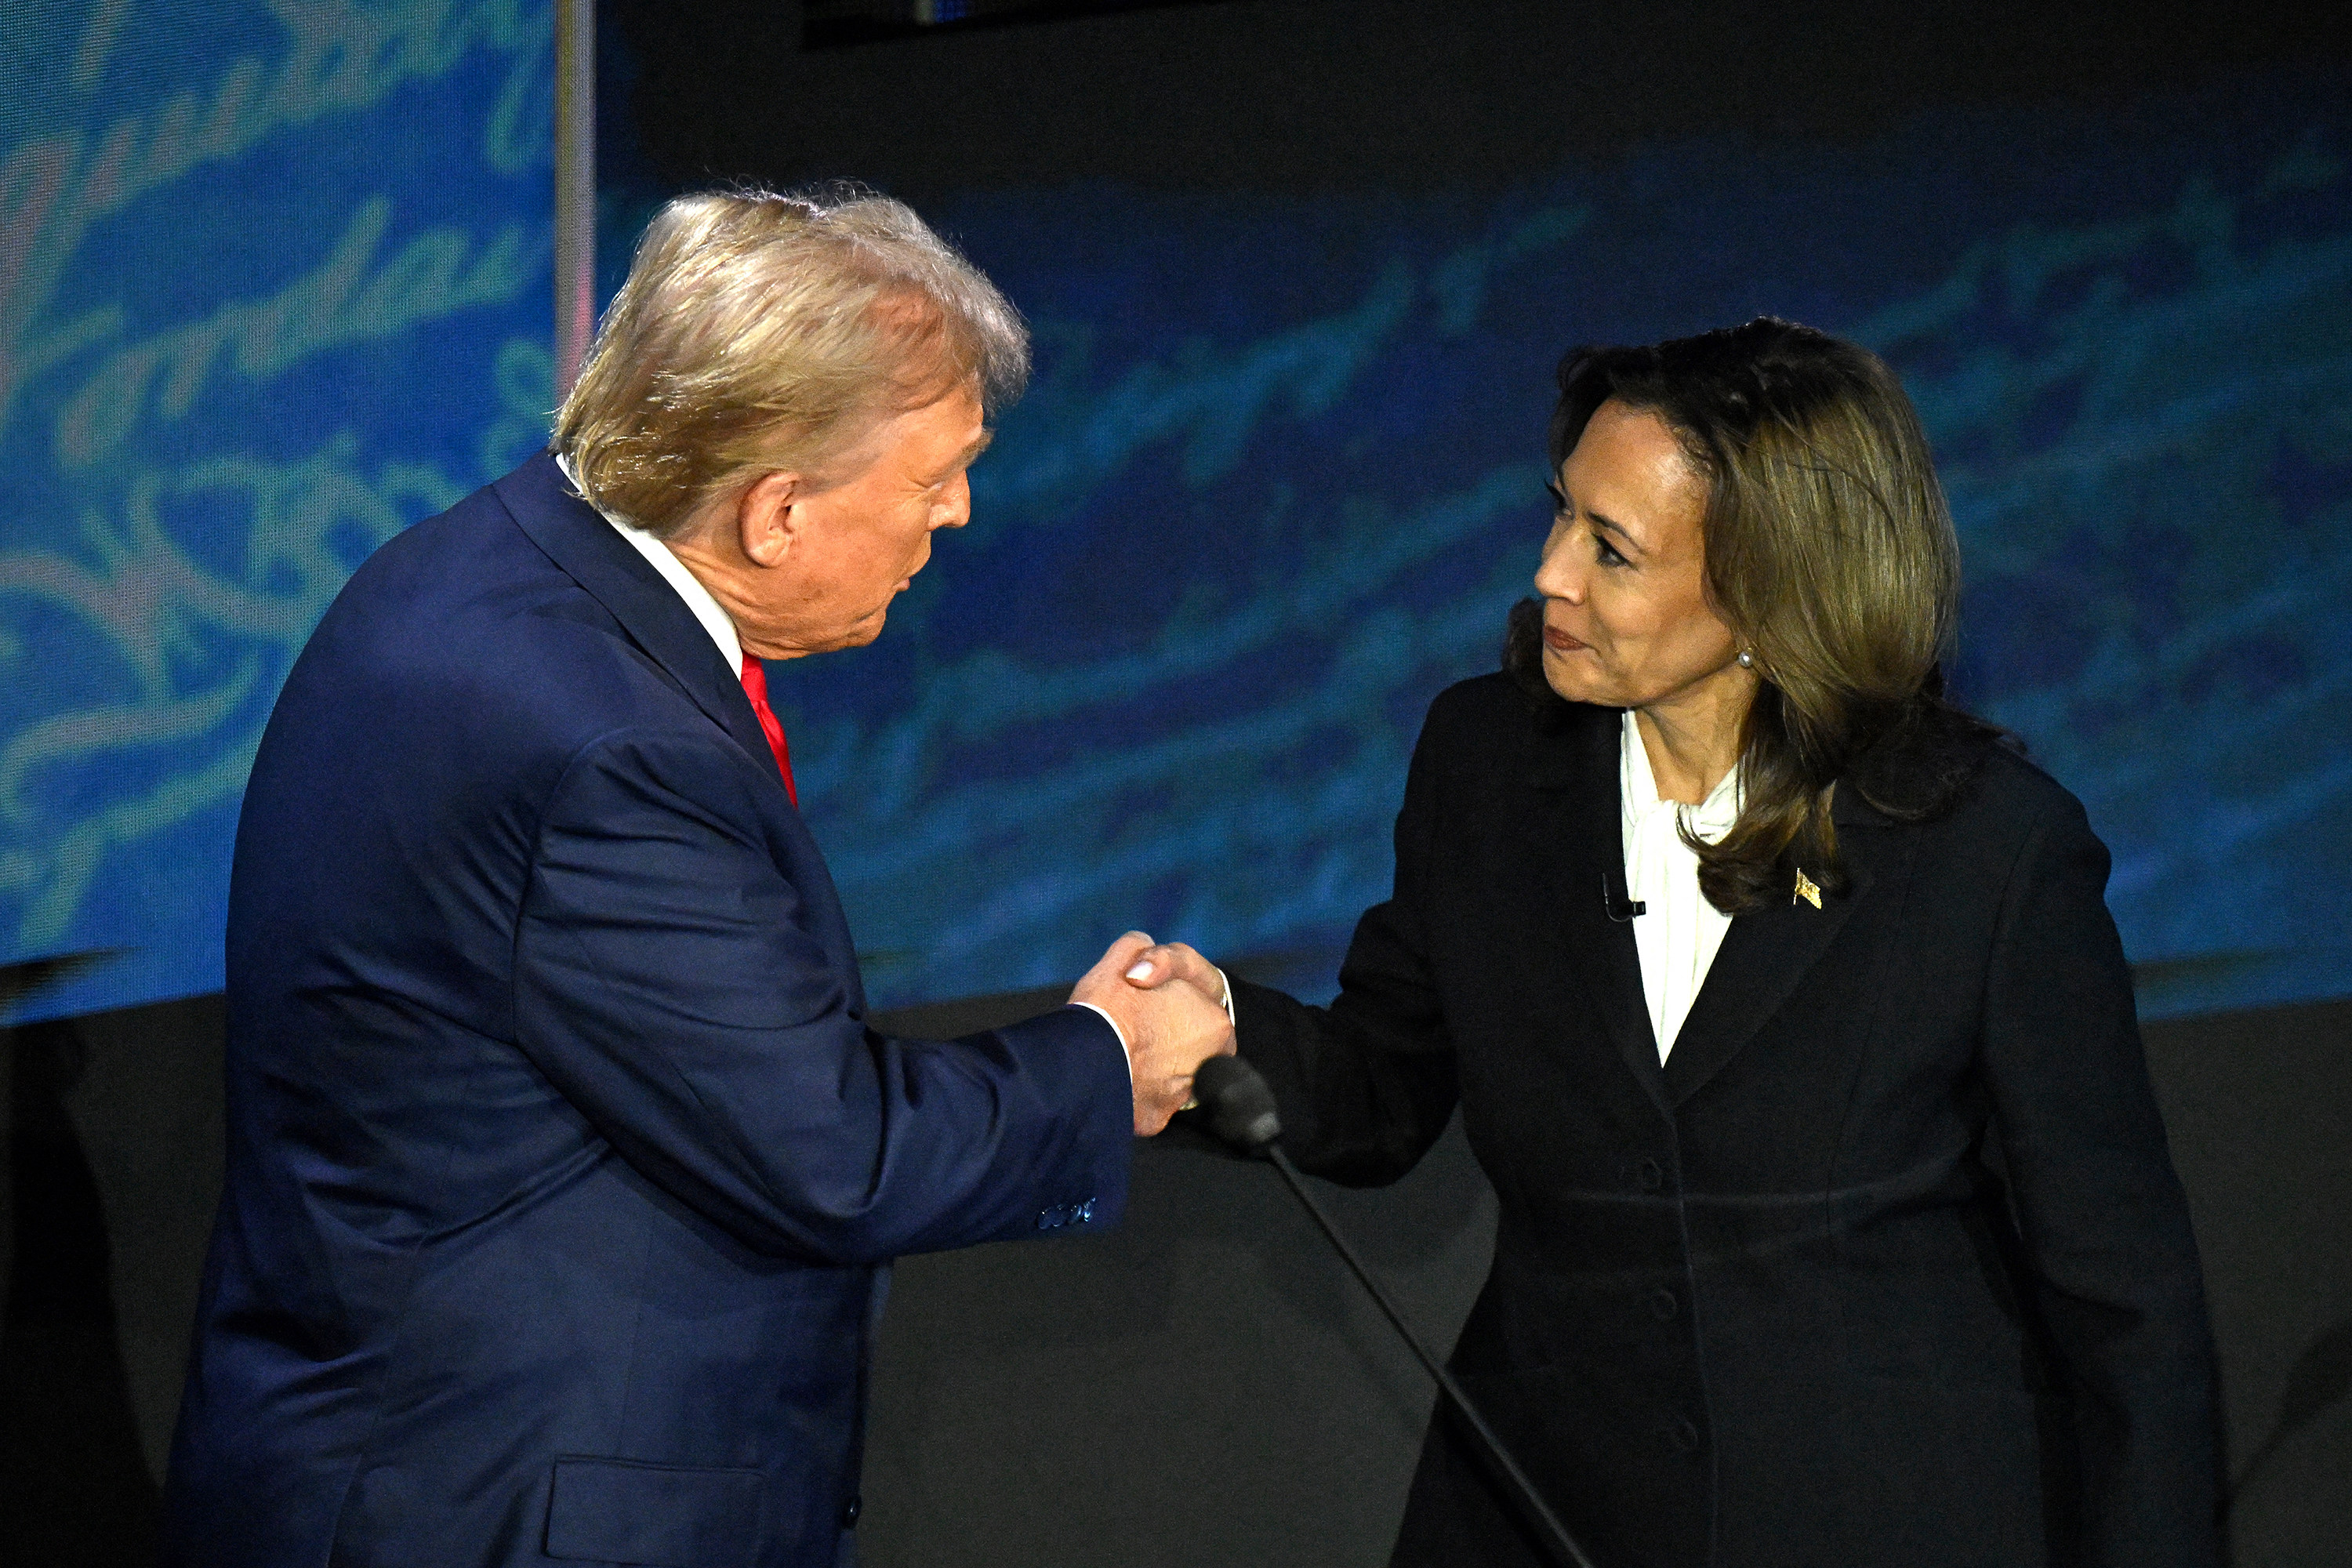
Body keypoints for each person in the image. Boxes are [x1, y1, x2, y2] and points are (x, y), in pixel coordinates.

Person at [161, 188, 1232, 1568]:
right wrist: (1106, 1057)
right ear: (777, 509)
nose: (958, 516)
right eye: (931, 481)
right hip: (505, 1507)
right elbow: (834, 1153)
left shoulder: (486, 565)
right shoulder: (609, 747)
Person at [1125, 319, 2221, 1566]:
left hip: (1884, 1517)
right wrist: (1216, 1031)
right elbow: (1383, 1086)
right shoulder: (1489, 767)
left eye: (1612, 550)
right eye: (1559, 520)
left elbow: (2128, 1303)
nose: (1551, 575)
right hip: (1548, 1513)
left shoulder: (1987, 851)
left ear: (1770, 588)